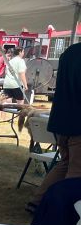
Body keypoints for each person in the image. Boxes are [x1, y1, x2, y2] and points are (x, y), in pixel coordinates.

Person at [27, 42, 81, 212]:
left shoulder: (70, 52)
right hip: (77, 123)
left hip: (62, 121)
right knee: (77, 171)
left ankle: (38, 202)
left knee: (65, 163)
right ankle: (68, 212)